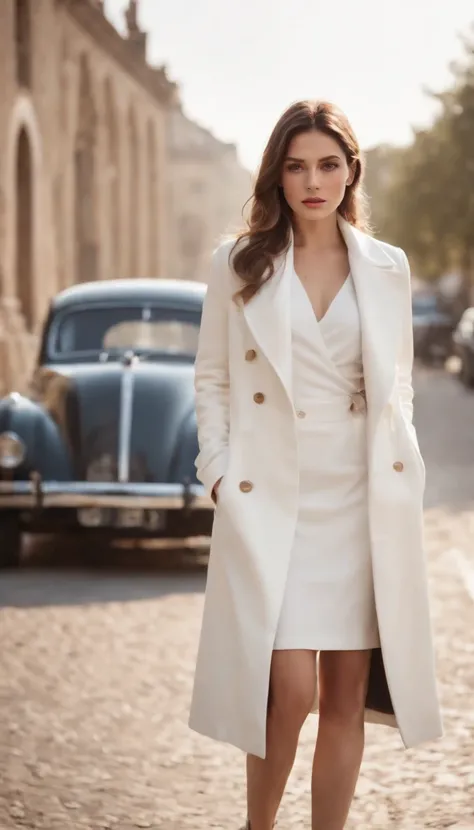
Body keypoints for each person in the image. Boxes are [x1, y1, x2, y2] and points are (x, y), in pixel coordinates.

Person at [188, 100, 442, 830]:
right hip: (274, 498)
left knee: (346, 692)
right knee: (289, 688)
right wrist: (217, 471)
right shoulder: (239, 263)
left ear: (351, 171)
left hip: (363, 499)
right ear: (277, 174)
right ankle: (258, 826)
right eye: (296, 165)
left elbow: (400, 384)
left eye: (328, 164)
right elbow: (210, 379)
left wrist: (406, 459)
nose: (312, 180)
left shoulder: (387, 266)